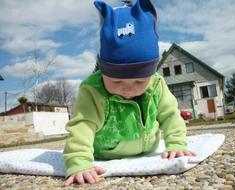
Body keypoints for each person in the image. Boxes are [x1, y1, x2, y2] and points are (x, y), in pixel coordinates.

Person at [63, 0, 196, 186]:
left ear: (151, 73)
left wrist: (176, 144)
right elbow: (82, 126)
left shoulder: (156, 85)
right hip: (105, 155)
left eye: (140, 81)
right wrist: (80, 163)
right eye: (116, 81)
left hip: (148, 149)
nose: (128, 88)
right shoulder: (92, 91)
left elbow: (171, 115)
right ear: (103, 71)